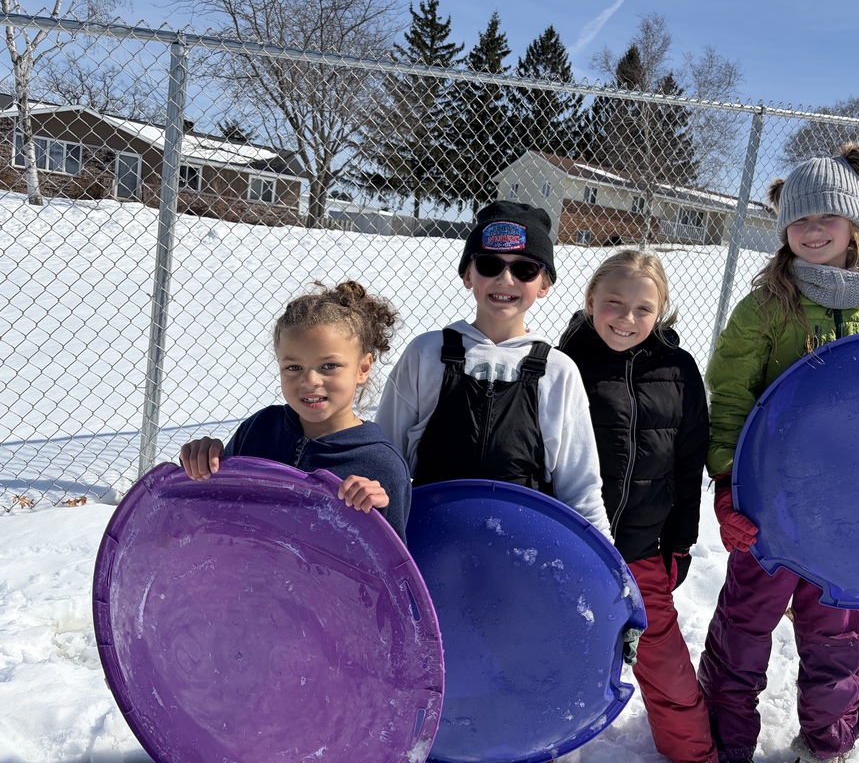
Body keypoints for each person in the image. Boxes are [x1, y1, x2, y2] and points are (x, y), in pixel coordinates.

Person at [698, 142, 859, 763]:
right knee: (745, 621)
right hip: (771, 504)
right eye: (800, 220)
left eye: (827, 218)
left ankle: (830, 737)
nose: (813, 231)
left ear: (855, 225)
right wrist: (727, 486)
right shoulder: (764, 305)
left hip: (849, 511)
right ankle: (725, 735)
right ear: (784, 229)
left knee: (838, 630)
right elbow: (731, 397)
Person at [558, 250, 718, 763]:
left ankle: (695, 755)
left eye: (643, 309)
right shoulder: (561, 365)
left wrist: (681, 544)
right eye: (614, 303)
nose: (627, 319)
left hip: (645, 549)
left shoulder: (679, 369)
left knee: (667, 666)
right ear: (589, 302)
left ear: (661, 311)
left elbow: (689, 461)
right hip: (575, 549)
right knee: (562, 657)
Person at [375, 200, 612, 539]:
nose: (505, 279)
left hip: (520, 554)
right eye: (489, 264)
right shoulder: (427, 354)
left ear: (544, 284)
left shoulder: (557, 372)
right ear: (468, 275)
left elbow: (581, 490)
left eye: (525, 269)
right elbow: (386, 460)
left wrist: (606, 567)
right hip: (427, 543)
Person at [179, 280, 412, 543]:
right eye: (293, 367)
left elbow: (391, 574)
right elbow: (213, 509)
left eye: (329, 366)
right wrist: (201, 463)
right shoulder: (260, 429)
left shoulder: (380, 463)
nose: (310, 380)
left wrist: (377, 513)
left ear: (363, 368)